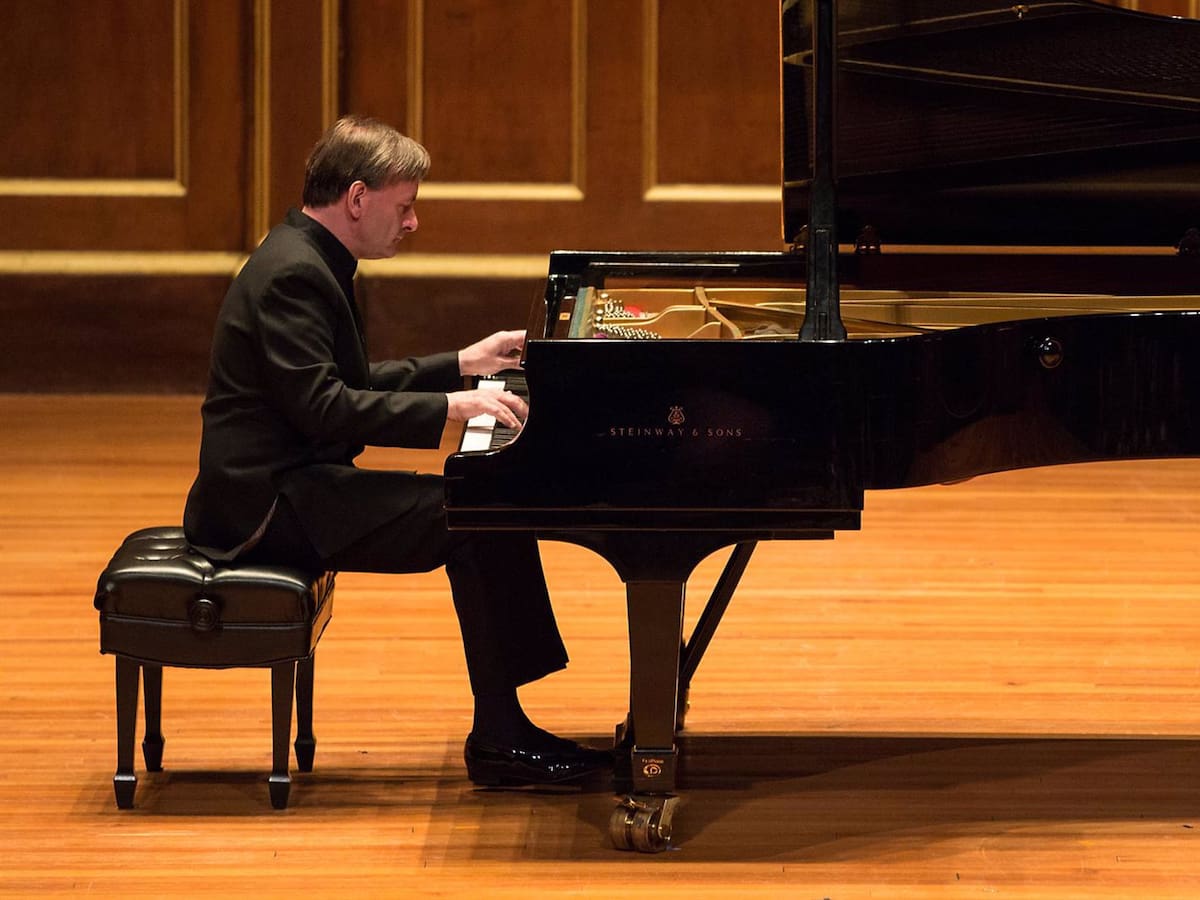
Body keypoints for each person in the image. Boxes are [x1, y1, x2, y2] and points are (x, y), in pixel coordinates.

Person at [183, 115, 610, 787]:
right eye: (404, 205)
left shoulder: (308, 256)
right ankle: (502, 738)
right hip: (267, 507)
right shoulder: (294, 274)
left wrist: (461, 365)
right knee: (474, 517)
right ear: (357, 198)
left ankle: (504, 727)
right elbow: (324, 406)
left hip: (293, 484)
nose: (412, 222)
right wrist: (451, 408)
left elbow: (345, 383)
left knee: (479, 509)